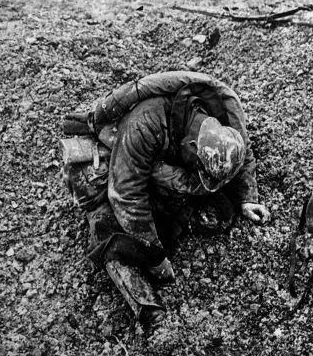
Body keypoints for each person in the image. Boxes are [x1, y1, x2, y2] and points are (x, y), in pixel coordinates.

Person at [65, 71, 270, 327]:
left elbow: (243, 151)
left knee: (219, 211)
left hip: (160, 162)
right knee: (112, 234)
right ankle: (148, 309)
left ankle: (177, 215)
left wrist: (247, 197)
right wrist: (154, 256)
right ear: (192, 148)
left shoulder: (224, 116)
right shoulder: (146, 124)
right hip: (112, 162)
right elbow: (126, 195)